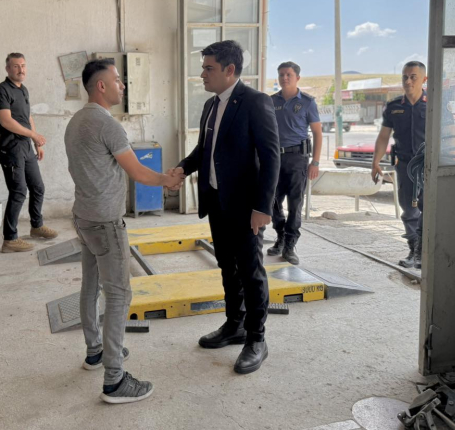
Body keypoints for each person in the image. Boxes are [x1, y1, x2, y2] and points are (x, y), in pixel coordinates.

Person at [65, 58, 183, 404]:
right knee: (119, 295)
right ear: (101, 86)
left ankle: (95, 351)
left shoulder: (75, 121)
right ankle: (114, 380)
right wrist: (166, 180)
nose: (123, 85)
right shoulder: (107, 125)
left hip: (83, 216)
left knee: (91, 286)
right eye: (117, 80)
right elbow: (138, 172)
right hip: (105, 222)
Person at [169, 40, 280, 375]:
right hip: (217, 201)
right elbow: (204, 150)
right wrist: (182, 168)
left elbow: (272, 157)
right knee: (227, 267)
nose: (203, 74)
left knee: (251, 271)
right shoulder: (210, 105)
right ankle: (235, 324)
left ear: (230, 70)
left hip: (246, 207)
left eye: (209, 68)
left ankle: (257, 339)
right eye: (203, 67)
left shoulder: (255, 101)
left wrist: (263, 207)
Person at [0, 52, 58, 253]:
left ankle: (36, 227)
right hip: (11, 147)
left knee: (38, 187)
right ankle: (10, 239)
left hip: (26, 146)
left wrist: (36, 142)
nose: (21, 70)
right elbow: (6, 121)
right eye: (16, 66)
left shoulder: (23, 90)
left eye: (23, 65)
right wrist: (33, 135)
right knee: (19, 191)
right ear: (7, 69)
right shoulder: (1, 90)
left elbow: (27, 117)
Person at [372, 61, 427, 269]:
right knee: (409, 209)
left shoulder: (434, 104)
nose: (408, 81)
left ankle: (423, 251)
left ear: (424, 79)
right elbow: (384, 136)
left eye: (413, 77)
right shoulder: (394, 106)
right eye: (405, 77)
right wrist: (375, 162)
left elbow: (446, 135)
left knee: (428, 207)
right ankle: (414, 249)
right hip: (404, 165)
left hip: (428, 166)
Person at [267, 62, 322, 265]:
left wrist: (315, 162)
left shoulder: (307, 102)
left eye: (288, 74)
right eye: (281, 74)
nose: (284, 78)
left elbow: (317, 133)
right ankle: (281, 235)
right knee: (272, 200)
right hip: (274, 158)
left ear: (297, 77)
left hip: (297, 158)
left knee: (295, 203)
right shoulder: (271, 101)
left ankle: (290, 245)